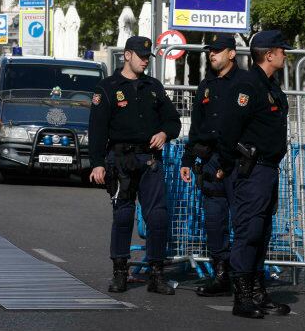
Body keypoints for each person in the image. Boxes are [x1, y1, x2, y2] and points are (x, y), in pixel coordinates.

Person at [89, 36, 181, 295]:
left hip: (149, 159)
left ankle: (156, 273)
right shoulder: (107, 88)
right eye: (140, 56)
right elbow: (97, 130)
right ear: (127, 55)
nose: (144, 61)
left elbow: (173, 120)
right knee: (123, 216)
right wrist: (97, 164)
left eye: (147, 57)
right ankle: (120, 271)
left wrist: (164, 133)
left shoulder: (153, 86)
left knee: (158, 216)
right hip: (120, 161)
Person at [216, 30, 292, 319]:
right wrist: (229, 164)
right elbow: (228, 130)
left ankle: (258, 292)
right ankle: (243, 296)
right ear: (269, 54)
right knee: (248, 232)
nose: (285, 55)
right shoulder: (248, 84)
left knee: (261, 233)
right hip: (251, 169)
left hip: (267, 169)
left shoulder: (269, 85)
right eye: (282, 51)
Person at [179, 34, 245, 297]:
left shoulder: (245, 83)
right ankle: (221, 276)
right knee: (215, 221)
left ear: (232, 53)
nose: (212, 54)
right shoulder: (206, 84)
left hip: (238, 162)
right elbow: (197, 126)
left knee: (242, 222)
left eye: (218, 51)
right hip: (210, 160)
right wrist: (187, 159)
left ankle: (243, 277)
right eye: (210, 51)